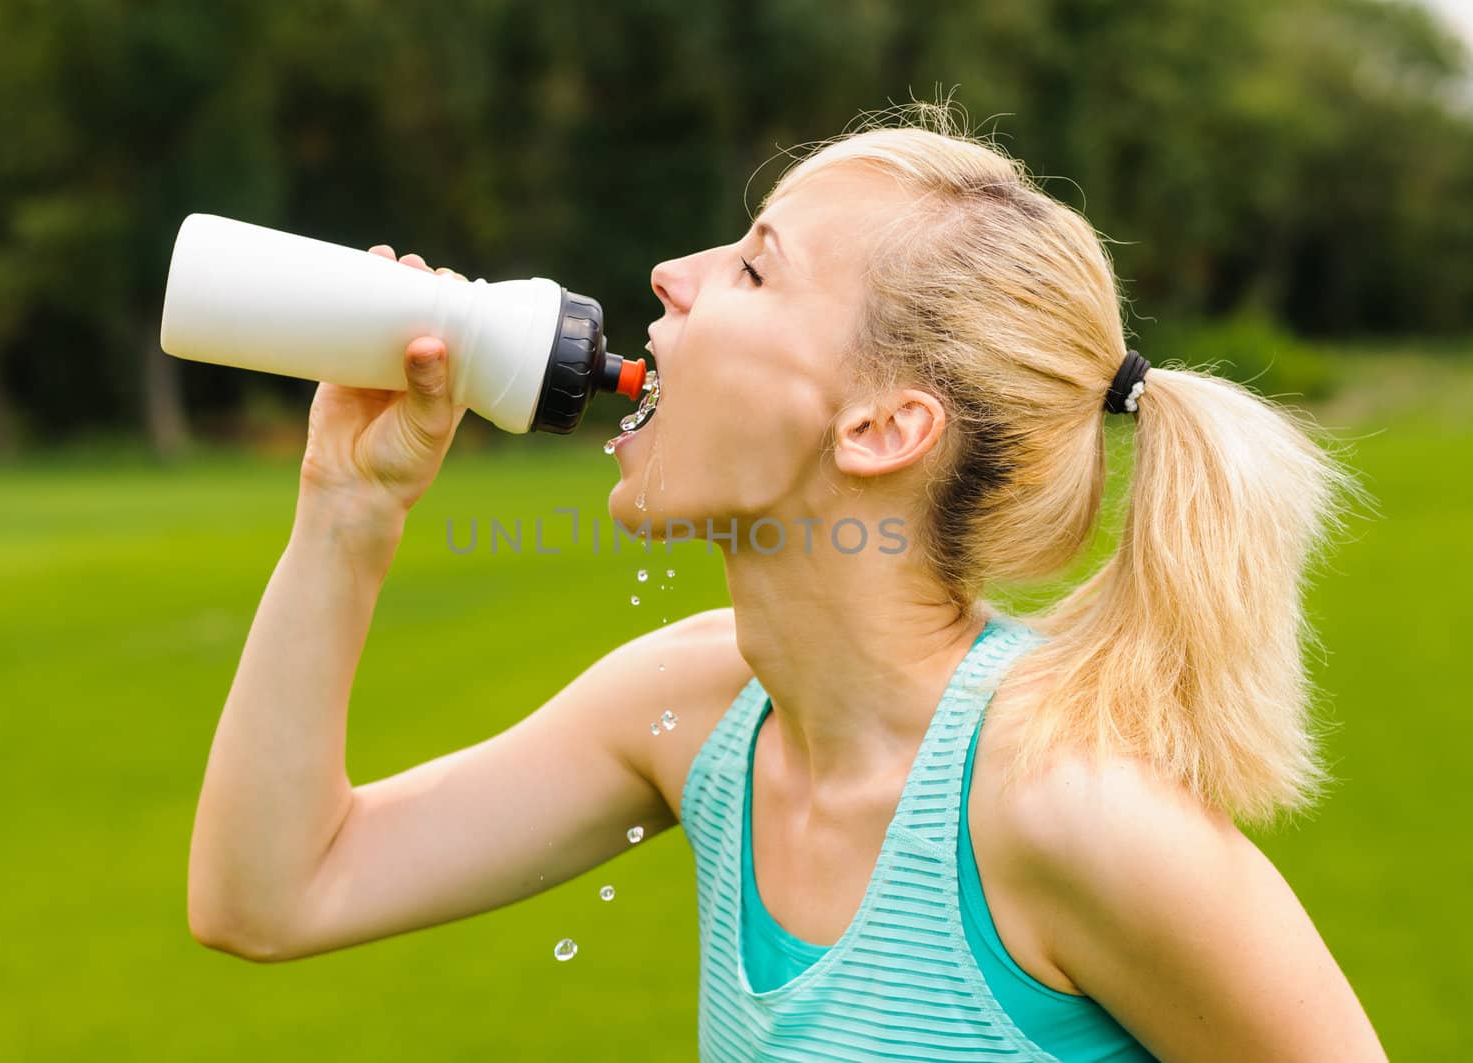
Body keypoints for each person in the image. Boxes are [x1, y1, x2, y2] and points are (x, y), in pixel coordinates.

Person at [187, 106, 1387, 1060]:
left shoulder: (1074, 813)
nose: (671, 275)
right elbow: (275, 894)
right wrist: (349, 506)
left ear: (879, 427)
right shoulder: (694, 712)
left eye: (755, 271)